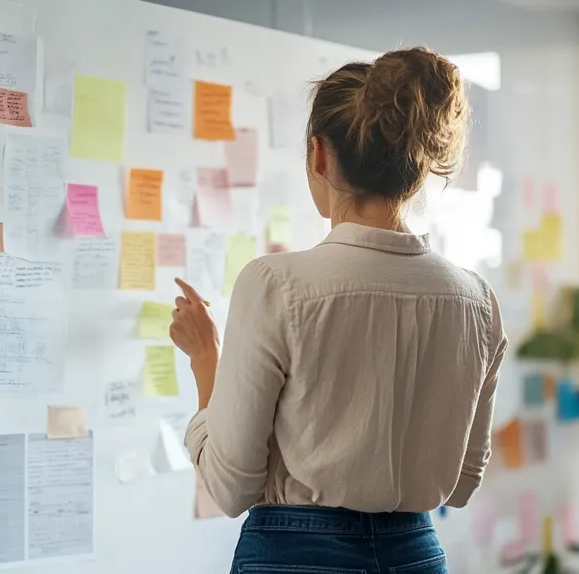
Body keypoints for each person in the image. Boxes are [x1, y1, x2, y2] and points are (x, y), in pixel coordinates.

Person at [170, 46, 507, 574]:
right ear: (416, 166)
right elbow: (462, 484)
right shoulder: (477, 301)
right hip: (416, 555)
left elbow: (230, 486)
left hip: (296, 557)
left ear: (318, 155)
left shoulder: (275, 283)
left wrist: (204, 358)